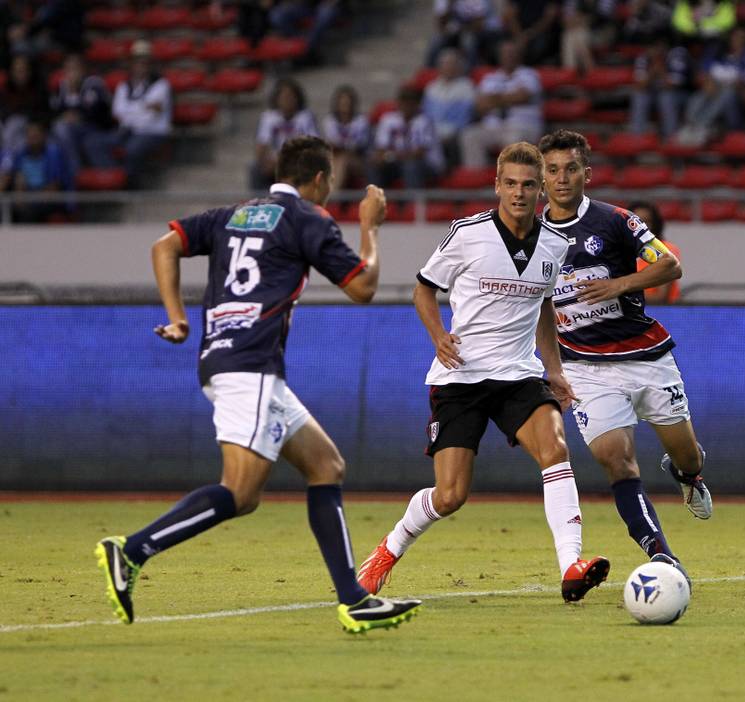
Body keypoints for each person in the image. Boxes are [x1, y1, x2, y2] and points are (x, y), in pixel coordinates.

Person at [95, 135, 422, 634]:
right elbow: (363, 287)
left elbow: (165, 246)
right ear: (317, 179)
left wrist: (178, 318)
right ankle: (132, 550)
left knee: (326, 465)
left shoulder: (231, 214)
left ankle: (354, 599)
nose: (330, 190)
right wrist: (369, 229)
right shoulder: (307, 219)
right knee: (241, 493)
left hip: (227, 360)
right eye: (330, 180)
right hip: (251, 368)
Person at [356, 141, 610, 603]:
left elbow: (545, 307)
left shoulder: (555, 244)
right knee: (451, 495)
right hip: (461, 377)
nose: (519, 192)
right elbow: (423, 291)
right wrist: (438, 336)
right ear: (496, 185)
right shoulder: (467, 233)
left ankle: (571, 564)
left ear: (542, 190)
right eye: (510, 183)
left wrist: (554, 369)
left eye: (529, 184)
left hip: (519, 376)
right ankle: (388, 551)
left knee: (555, 449)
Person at [537, 129, 712, 586]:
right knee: (616, 460)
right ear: (541, 177)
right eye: (552, 170)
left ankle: (685, 474)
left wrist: (617, 285)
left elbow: (669, 266)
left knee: (688, 454)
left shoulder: (616, 221)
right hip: (585, 368)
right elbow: (535, 307)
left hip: (646, 356)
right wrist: (552, 368)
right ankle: (662, 554)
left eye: (570, 168)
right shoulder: (529, 237)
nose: (561, 178)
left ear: (586, 174)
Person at [84, 39, 172, 187]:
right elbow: (117, 112)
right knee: (93, 143)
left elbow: (151, 115)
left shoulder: (161, 84)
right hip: (127, 130)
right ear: (131, 64)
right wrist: (142, 107)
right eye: (137, 61)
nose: (141, 66)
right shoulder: (124, 85)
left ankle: (130, 186)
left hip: (152, 132)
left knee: (132, 149)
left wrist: (130, 110)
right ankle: (115, 178)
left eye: (144, 62)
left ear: (150, 63)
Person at [459, 40, 543, 168]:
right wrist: (509, 97)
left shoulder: (529, 74)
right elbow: (479, 105)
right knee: (470, 135)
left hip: (522, 125)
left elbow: (523, 96)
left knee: (513, 140)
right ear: (499, 56)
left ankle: (512, 182)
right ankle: (477, 179)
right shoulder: (490, 78)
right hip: (493, 127)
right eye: (505, 53)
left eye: (512, 53)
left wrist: (493, 99)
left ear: (519, 55)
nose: (509, 56)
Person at [366, 85, 444, 189]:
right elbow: (381, 149)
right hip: (397, 163)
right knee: (374, 165)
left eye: (410, 101)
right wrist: (385, 157)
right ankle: (377, 203)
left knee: (411, 166)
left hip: (428, 165)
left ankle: (414, 203)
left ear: (417, 104)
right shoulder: (388, 119)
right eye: (403, 101)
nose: (406, 105)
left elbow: (418, 153)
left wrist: (390, 156)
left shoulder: (425, 121)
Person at [50, 52, 114, 173]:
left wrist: (79, 116)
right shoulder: (62, 87)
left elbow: (99, 112)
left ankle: (74, 170)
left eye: (75, 68)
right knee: (53, 140)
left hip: (95, 128)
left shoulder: (94, 84)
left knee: (61, 129)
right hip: (71, 130)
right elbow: (54, 111)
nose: (71, 72)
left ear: (83, 69)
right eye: (68, 69)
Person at [251, 77, 319, 190]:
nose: (287, 100)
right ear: (277, 99)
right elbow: (261, 146)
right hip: (274, 161)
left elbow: (314, 146)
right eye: (284, 97)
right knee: (255, 168)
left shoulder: (306, 117)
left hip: (300, 161)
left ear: (297, 99)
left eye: (291, 97)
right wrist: (264, 161)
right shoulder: (268, 117)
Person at [0, 118, 73, 222]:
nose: (32, 140)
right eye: (30, 137)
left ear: (44, 136)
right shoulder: (21, 154)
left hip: (52, 198)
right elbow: (18, 181)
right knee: (9, 209)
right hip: (28, 197)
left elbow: (54, 186)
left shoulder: (54, 154)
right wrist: (19, 196)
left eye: (36, 137)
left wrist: (33, 200)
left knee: (30, 212)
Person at [422, 48, 476, 169]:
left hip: (453, 132)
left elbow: (465, 118)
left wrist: (447, 133)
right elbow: (425, 114)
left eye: (452, 64)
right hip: (432, 131)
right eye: (445, 64)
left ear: (459, 67)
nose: (449, 68)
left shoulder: (467, 87)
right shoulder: (431, 87)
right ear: (439, 67)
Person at [629, 200, 680, 304]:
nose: (641, 227)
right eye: (636, 223)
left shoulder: (666, 250)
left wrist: (619, 292)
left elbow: (661, 297)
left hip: (659, 313)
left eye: (646, 222)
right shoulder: (617, 251)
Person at [321, 84, 370, 192]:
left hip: (359, 160)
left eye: (348, 102)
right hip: (335, 158)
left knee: (343, 160)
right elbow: (332, 145)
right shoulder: (329, 121)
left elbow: (358, 146)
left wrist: (342, 147)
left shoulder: (361, 121)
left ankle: (334, 198)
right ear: (337, 104)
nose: (345, 105)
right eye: (342, 103)